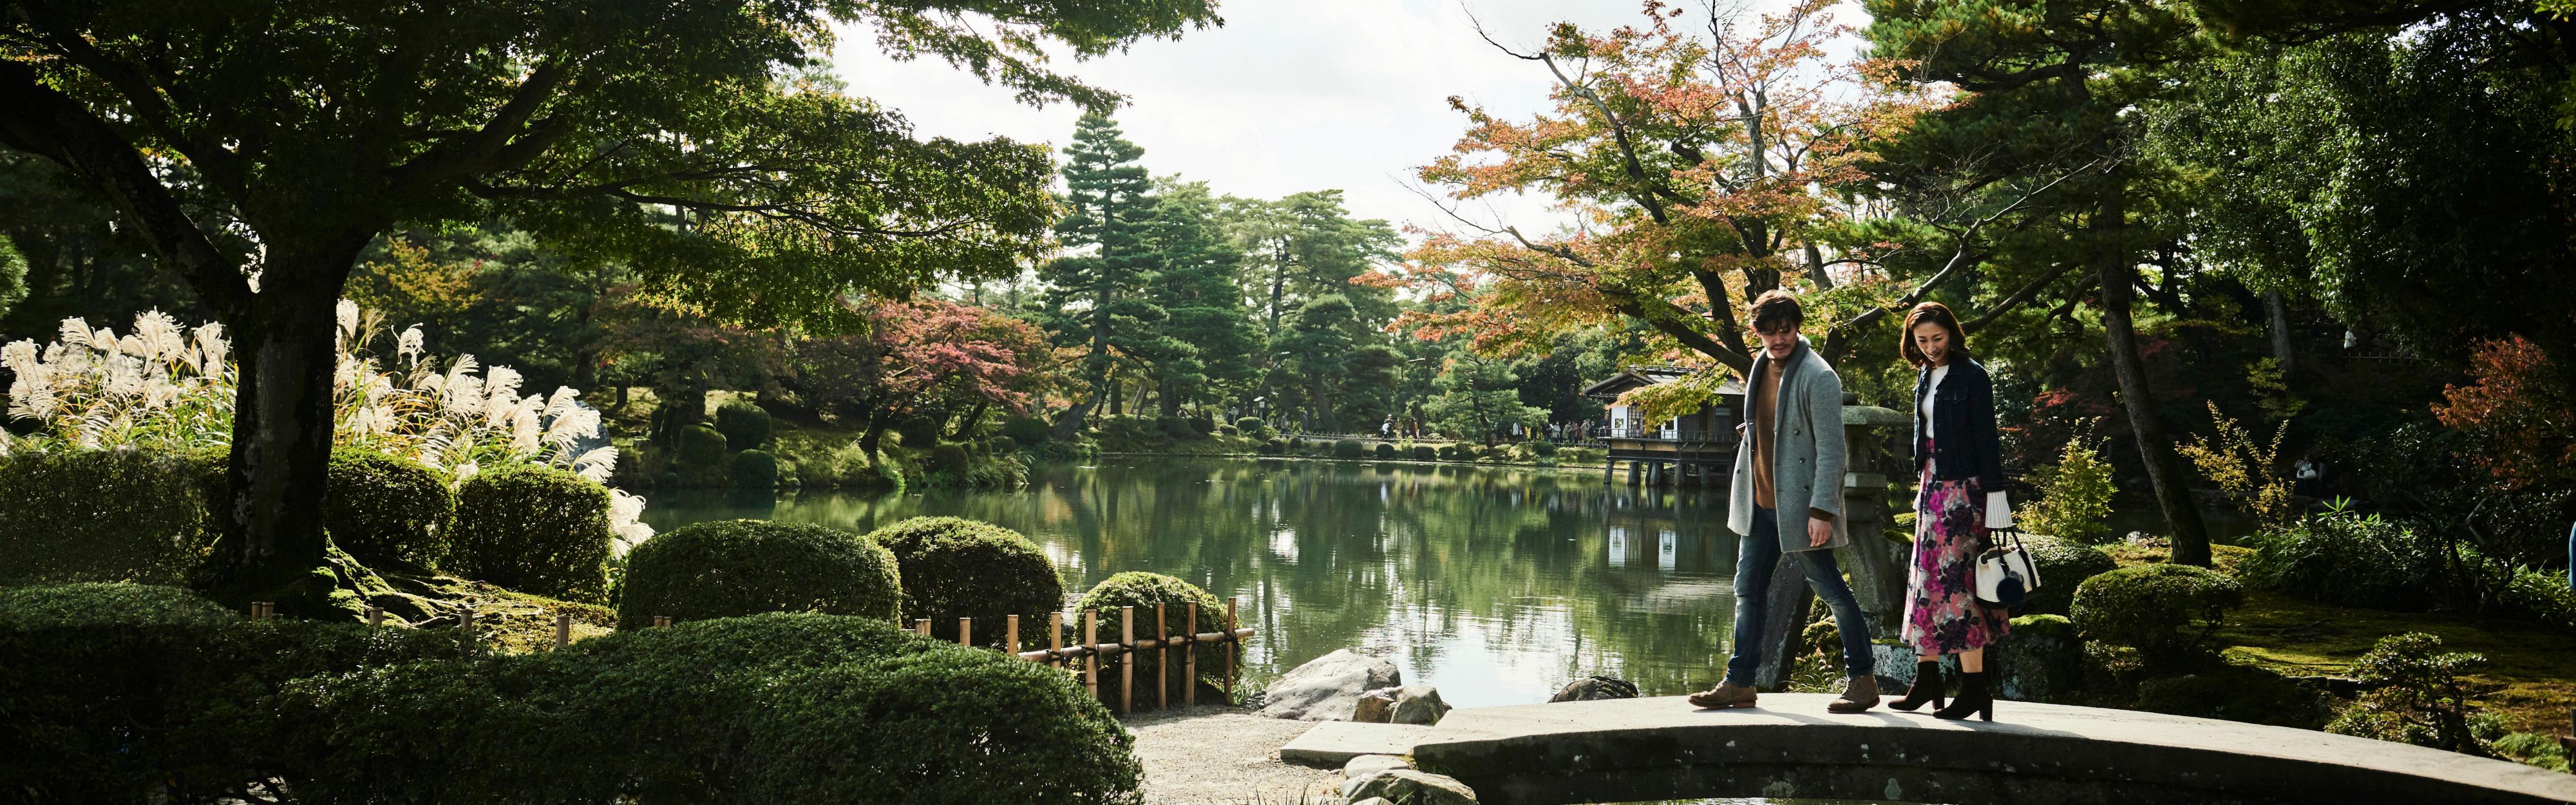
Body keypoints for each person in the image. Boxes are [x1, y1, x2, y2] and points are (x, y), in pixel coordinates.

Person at [1689, 290, 1879, 714]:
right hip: (1759, 503)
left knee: (1831, 591)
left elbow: (1833, 451)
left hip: (1800, 506)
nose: (1778, 339)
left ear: (1797, 328)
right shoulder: (1761, 365)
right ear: (1757, 332)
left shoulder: (1819, 375)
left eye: (1786, 330)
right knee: (1747, 592)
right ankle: (1740, 683)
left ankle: (1863, 680)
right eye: (1769, 332)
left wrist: (1823, 510)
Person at [1884, 301, 2012, 721]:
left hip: (1964, 491)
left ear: (1953, 334)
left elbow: (1987, 439)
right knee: (1925, 583)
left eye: (1937, 338)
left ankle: (1975, 688)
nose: (1931, 346)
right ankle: (1927, 680)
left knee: (1959, 587)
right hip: (1932, 486)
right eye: (1922, 340)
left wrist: (1996, 499)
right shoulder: (1925, 375)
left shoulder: (1973, 376)